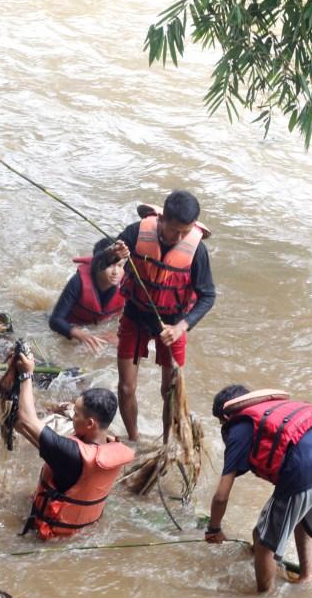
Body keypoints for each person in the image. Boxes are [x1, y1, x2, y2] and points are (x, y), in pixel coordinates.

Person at [205, 385, 312, 593]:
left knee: (263, 545)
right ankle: (306, 578)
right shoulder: (277, 409)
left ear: (226, 417)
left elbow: (221, 496)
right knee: (299, 523)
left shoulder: (239, 427)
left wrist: (214, 529)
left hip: (303, 474)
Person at [108, 193, 216, 440]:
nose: (179, 238)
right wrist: (115, 255)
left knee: (170, 391)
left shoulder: (197, 251)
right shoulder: (136, 232)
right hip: (135, 315)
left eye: (185, 232)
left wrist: (181, 327)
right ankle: (134, 439)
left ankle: (167, 443)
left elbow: (208, 296)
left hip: (173, 323)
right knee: (126, 387)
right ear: (162, 220)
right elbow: (109, 259)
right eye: (174, 231)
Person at [15, 351, 135, 539]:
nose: (72, 417)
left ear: (90, 424)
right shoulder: (109, 445)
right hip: (82, 532)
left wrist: (26, 374)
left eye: (76, 414)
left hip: (47, 537)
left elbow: (27, 419)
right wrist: (23, 429)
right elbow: (57, 457)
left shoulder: (70, 453)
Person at [49, 237, 127, 354]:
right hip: (74, 324)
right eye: (110, 265)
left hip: (98, 324)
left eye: (120, 266)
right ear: (98, 265)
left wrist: (119, 336)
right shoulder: (78, 282)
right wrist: (80, 334)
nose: (116, 272)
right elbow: (55, 320)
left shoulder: (127, 284)